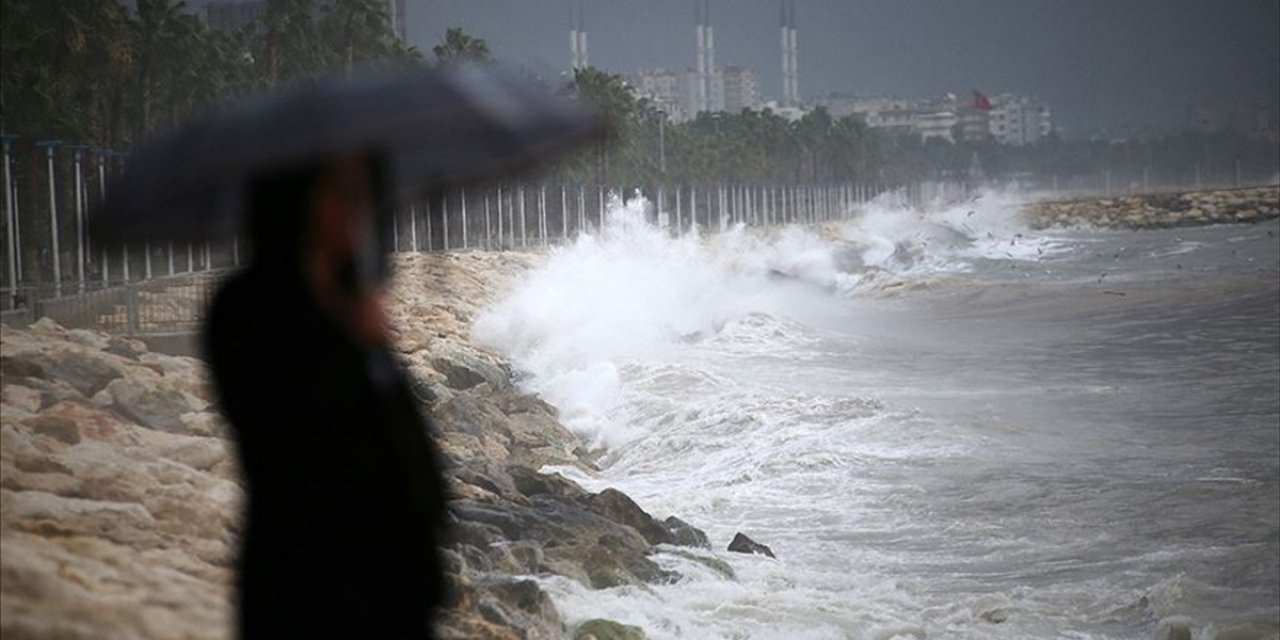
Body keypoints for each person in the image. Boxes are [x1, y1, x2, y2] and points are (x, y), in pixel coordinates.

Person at [203, 152, 447, 639]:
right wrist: (355, 341)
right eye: (341, 193)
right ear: (297, 199)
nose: (356, 211)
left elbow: (403, 440)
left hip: (392, 584)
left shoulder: (352, 297)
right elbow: (283, 439)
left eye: (362, 195)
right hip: (306, 580)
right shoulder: (246, 308)